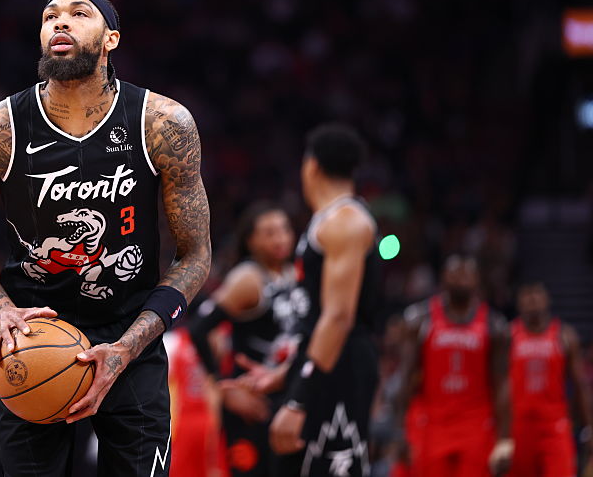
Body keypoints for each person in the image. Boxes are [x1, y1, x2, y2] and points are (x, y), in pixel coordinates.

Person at [0, 0, 211, 476]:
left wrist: (128, 348)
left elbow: (194, 255)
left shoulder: (163, 124)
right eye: (49, 17)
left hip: (131, 335)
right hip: (34, 335)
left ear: (111, 40)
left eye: (78, 14)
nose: (59, 23)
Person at [224, 123, 380, 476]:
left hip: (343, 366)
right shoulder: (326, 221)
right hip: (324, 365)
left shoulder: (346, 221)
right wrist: (283, 375)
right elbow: (318, 321)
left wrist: (298, 399)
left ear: (311, 166)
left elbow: (338, 318)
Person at [187, 202, 298, 477]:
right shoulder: (248, 278)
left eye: (284, 229)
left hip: (283, 395)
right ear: (251, 240)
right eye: (270, 232)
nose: (281, 238)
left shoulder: (293, 272)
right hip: (250, 401)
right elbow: (199, 328)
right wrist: (224, 389)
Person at [397, 255, 513, 477]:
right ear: (443, 278)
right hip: (432, 423)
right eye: (454, 273)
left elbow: (502, 384)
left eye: (466, 273)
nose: (460, 278)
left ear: (477, 280)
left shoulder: (494, 325)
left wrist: (505, 439)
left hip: (476, 424)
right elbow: (405, 377)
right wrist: (400, 430)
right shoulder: (420, 320)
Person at [508, 282, 593, 477]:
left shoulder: (564, 336)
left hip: (554, 426)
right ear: (519, 303)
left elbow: (580, 384)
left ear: (547, 300)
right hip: (519, 427)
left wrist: (589, 426)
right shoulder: (509, 335)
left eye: (537, 295)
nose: (532, 300)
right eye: (527, 296)